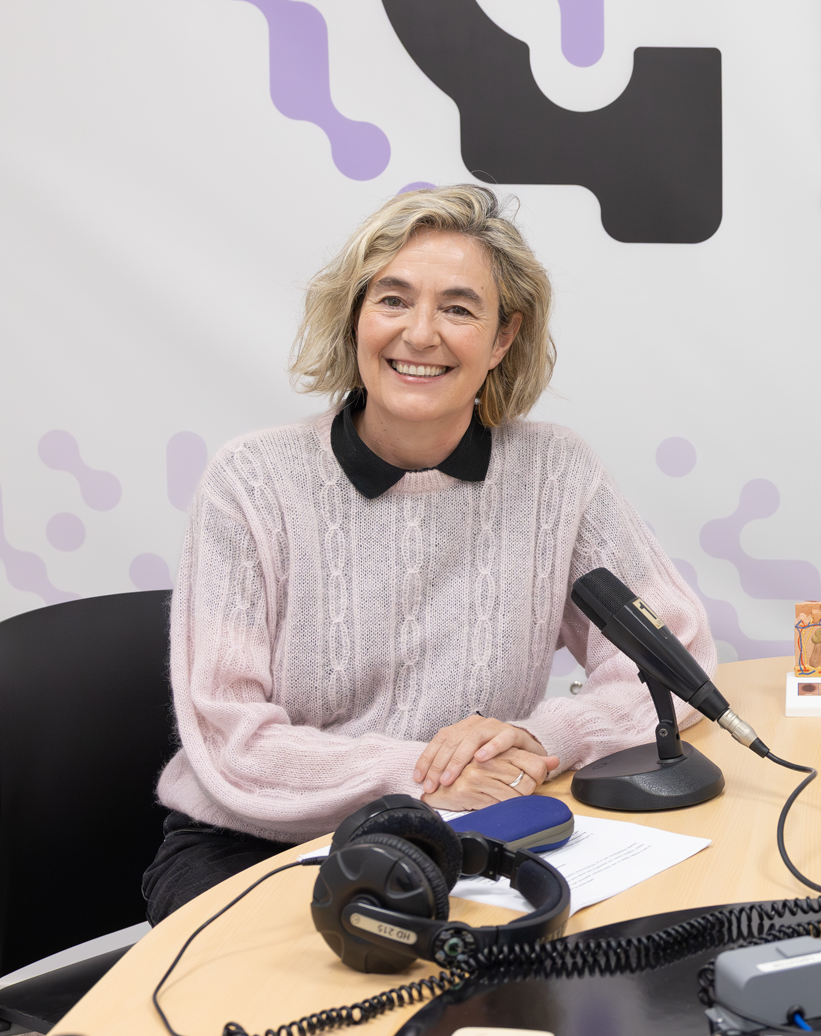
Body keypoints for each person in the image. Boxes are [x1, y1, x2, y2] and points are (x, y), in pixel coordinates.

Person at [141, 185, 715, 923]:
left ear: (503, 338)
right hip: (257, 841)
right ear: (354, 318)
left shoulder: (555, 473)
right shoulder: (251, 481)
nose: (421, 333)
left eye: (458, 308)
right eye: (393, 300)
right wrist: (421, 774)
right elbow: (232, 741)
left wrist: (543, 736)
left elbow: (673, 660)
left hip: (469, 833)